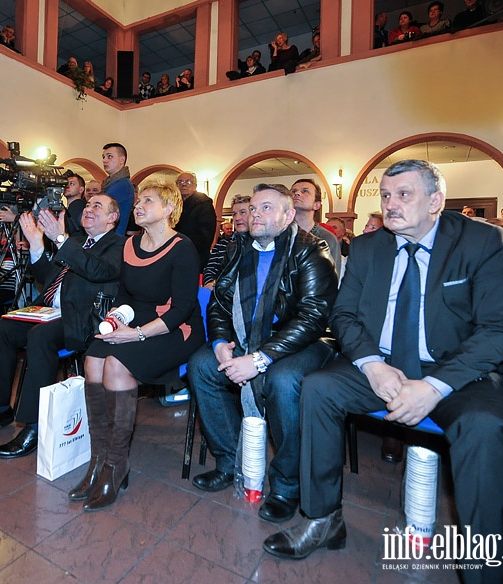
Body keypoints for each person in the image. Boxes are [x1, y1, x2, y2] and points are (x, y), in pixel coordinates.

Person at [264, 160, 503, 584]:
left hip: (461, 371)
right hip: (383, 362)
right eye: (386, 195)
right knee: (317, 388)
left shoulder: (480, 242)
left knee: (482, 426)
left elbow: (500, 331)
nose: (391, 204)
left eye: (404, 195)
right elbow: (344, 316)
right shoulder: (370, 248)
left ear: (436, 201)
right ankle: (323, 517)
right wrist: (373, 366)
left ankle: (489, 571)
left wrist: (435, 385)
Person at [188, 183, 337, 524]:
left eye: (266, 208)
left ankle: (286, 485)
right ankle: (230, 461)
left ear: (288, 216)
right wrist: (221, 342)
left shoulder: (310, 250)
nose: (255, 214)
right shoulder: (237, 248)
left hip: (304, 342)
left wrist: (258, 359)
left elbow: (314, 317)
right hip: (244, 337)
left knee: (283, 382)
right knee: (201, 365)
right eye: (253, 208)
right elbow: (219, 302)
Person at [0, 195, 123, 459]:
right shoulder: (77, 241)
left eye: (97, 206)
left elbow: (97, 271)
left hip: (81, 319)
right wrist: (36, 244)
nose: (88, 209)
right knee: (1, 328)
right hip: (48, 310)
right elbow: (48, 279)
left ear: (113, 218)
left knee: (40, 337)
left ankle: (34, 424)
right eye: (88, 205)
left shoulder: (119, 245)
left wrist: (60, 239)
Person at [77, 181, 205, 511]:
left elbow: (182, 308)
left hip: (176, 329)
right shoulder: (131, 243)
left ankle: (116, 466)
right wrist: (117, 317)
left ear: (169, 210)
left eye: (148, 200)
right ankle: (100, 459)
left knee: (117, 363)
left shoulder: (182, 247)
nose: (139, 204)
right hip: (137, 320)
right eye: (138, 200)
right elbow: (126, 295)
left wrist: (135, 334)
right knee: (92, 358)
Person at [290, 179, 340, 274]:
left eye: (305, 191)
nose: (297, 193)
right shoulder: (280, 233)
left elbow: (333, 277)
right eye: (293, 191)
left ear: (317, 205)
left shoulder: (327, 238)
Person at [203, 194, 249, 289]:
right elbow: (210, 271)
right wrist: (210, 284)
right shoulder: (221, 245)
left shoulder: (261, 245)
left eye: (243, 212)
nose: (237, 218)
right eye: (234, 214)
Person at [173, 172, 217, 273]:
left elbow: (206, 235)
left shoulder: (203, 204)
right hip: (174, 254)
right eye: (180, 182)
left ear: (195, 186)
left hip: (194, 254)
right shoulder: (173, 204)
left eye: (188, 182)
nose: (184, 184)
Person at [100, 143, 135, 236]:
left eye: (109, 156)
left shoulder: (122, 185)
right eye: (103, 157)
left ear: (121, 160)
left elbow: (99, 209)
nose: (104, 160)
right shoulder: (111, 183)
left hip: (112, 237)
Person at [63, 171, 86, 236]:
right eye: (66, 184)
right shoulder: (71, 207)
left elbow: (66, 229)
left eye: (72, 184)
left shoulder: (78, 205)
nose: (67, 186)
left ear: (81, 190)